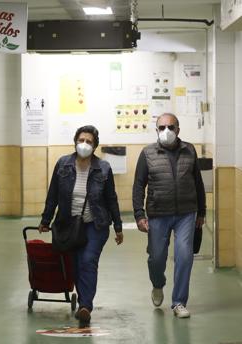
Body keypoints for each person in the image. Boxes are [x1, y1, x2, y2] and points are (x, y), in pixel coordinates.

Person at [39, 125, 123, 325]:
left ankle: (85, 306)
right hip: (68, 225)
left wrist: (118, 227)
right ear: (75, 142)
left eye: (89, 142)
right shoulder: (63, 164)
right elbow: (53, 196)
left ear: (95, 146)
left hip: (95, 224)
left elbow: (111, 199)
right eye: (81, 140)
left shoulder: (103, 168)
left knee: (88, 260)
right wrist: (45, 219)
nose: (84, 144)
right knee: (75, 264)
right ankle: (83, 301)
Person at [132, 113, 206, 318]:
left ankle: (179, 302)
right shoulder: (147, 153)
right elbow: (139, 185)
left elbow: (198, 183)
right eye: (162, 127)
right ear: (156, 130)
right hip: (158, 213)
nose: (167, 131)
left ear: (178, 130)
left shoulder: (189, 150)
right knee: (157, 258)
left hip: (186, 212)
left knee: (184, 256)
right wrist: (139, 214)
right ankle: (158, 284)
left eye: (171, 127)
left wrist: (202, 212)